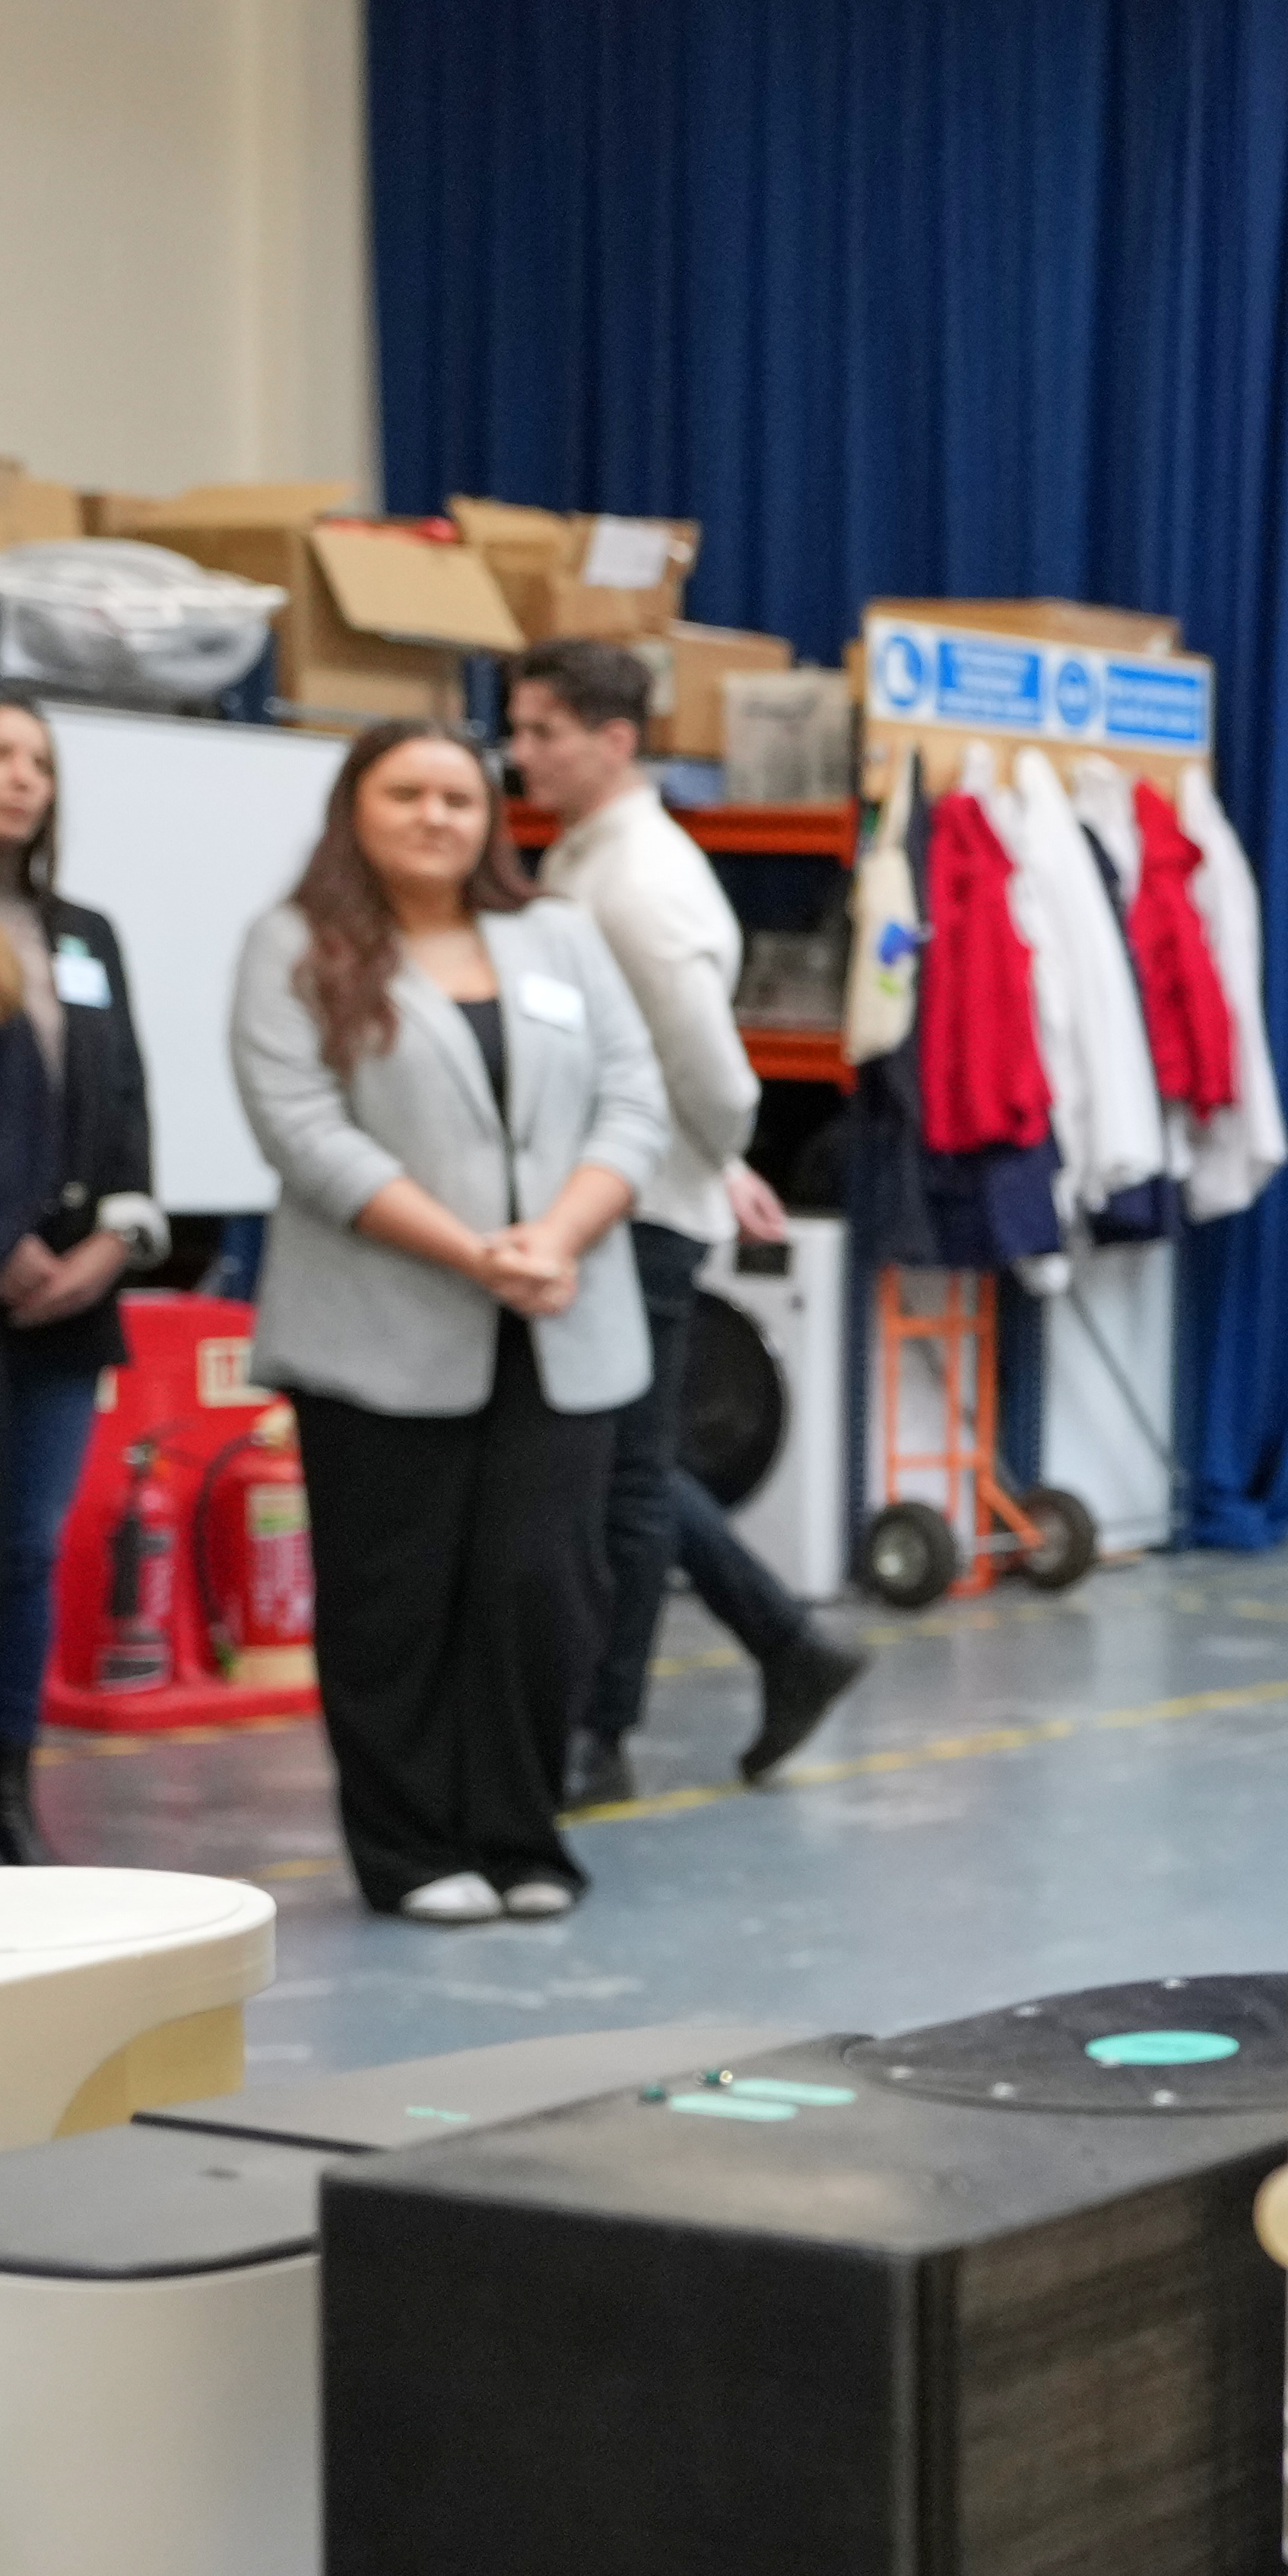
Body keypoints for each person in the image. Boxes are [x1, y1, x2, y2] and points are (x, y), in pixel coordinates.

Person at [230, 721, 668, 1924]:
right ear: (354, 808)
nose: (435, 817)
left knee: (544, 1589)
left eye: (459, 798)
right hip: (378, 1328)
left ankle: (523, 1839)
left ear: (492, 819)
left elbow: (635, 1102)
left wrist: (556, 1239)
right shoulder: (294, 944)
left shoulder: (559, 934)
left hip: (561, 1320)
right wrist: (475, 1253)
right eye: (406, 794)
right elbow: (303, 1131)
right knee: (393, 1596)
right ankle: (412, 1852)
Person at [503, 641, 866, 1800]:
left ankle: (601, 1732)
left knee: (628, 1477)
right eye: (518, 728)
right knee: (631, 1464)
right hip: (626, 1194)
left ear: (615, 740)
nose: (521, 753)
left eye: (544, 731)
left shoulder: (640, 879)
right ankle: (787, 1647)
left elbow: (709, 1068)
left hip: (638, 1208)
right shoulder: (588, 853)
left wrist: (716, 1157)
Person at [0, 687, 132, 1862]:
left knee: (29, 1546)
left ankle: (10, 1787)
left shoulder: (84, 934)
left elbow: (124, 1099)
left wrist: (114, 1243)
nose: (24, 778)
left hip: (75, 1288)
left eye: (41, 760)